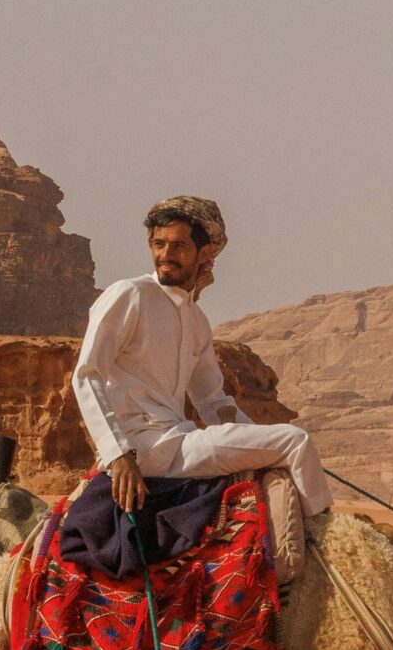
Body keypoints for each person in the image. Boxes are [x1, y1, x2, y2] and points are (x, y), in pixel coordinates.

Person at [72, 199, 331, 517]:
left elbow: (213, 403)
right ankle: (324, 531)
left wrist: (255, 440)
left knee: (281, 447)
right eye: (159, 244)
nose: (165, 255)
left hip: (180, 441)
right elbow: (86, 375)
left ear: (204, 253)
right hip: (146, 446)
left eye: (178, 246)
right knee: (296, 440)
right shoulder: (130, 294)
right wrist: (117, 453)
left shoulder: (196, 321)